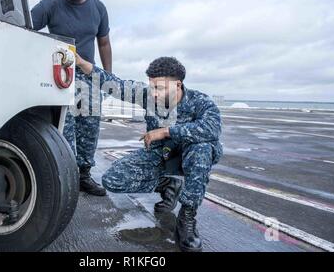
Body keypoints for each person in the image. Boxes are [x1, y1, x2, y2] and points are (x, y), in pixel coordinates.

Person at [74, 54, 223, 252]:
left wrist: (166, 131)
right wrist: (84, 64)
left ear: (177, 85)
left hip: (189, 155)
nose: (153, 93)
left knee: (202, 147)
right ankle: (169, 185)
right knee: (112, 180)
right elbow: (116, 85)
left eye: (159, 88)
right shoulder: (147, 95)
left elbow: (211, 129)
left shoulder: (201, 102)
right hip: (160, 155)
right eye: (152, 86)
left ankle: (187, 218)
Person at [31, 0, 112, 196]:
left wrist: (106, 77)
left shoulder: (98, 8)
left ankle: (84, 175)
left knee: (89, 127)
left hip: (88, 74)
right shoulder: (49, 5)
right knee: (65, 128)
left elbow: (104, 42)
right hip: (60, 75)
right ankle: (64, 177)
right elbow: (22, 26)